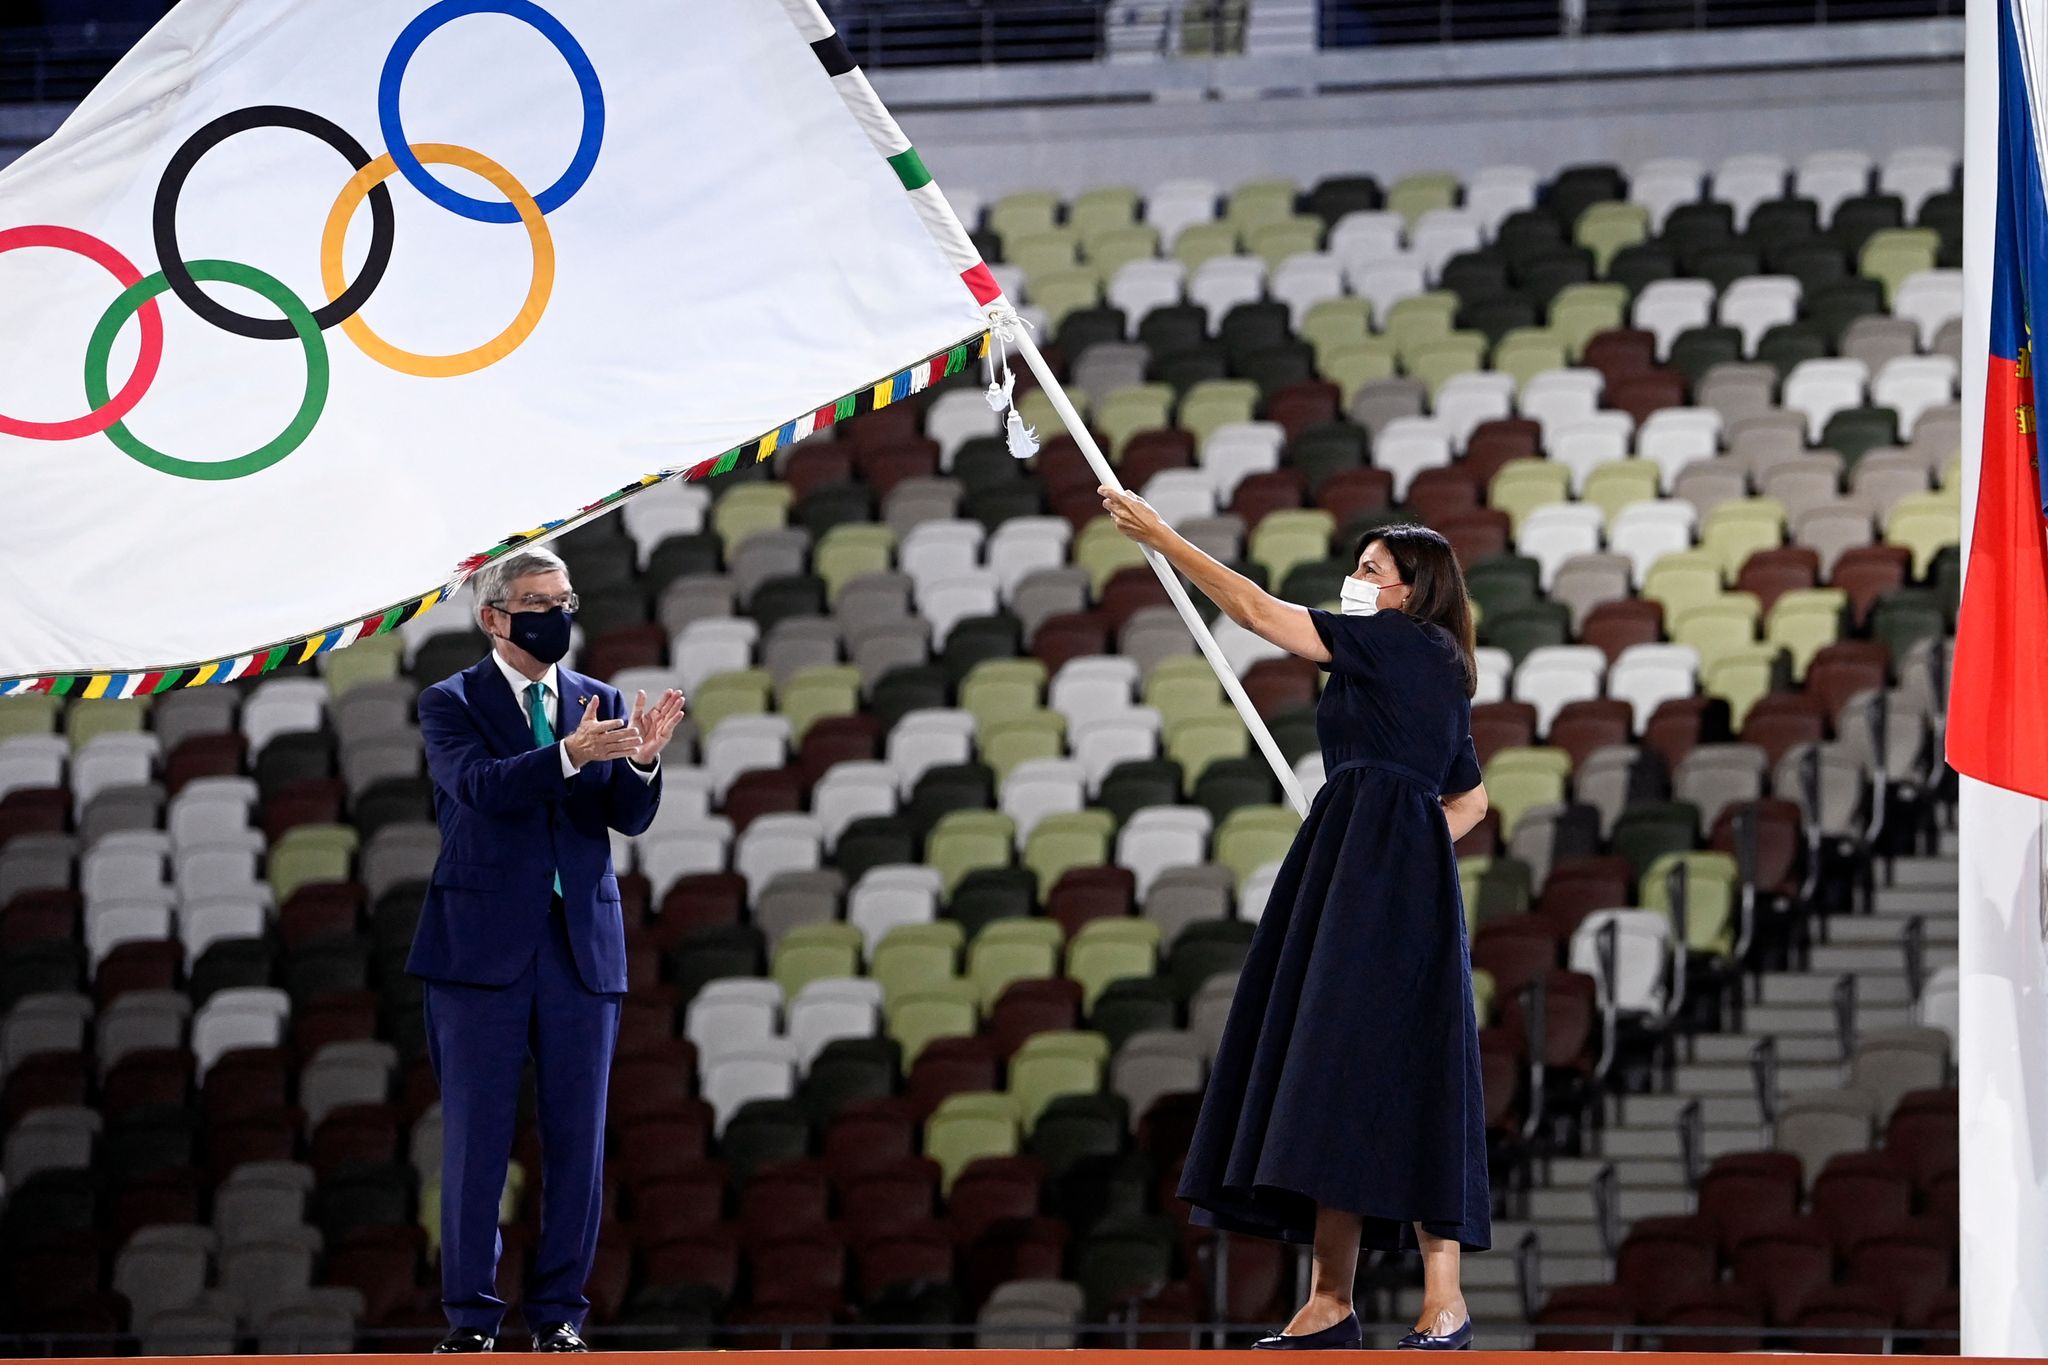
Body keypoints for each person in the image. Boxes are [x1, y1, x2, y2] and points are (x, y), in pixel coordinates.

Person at [1098, 487, 1491, 1351]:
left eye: (1369, 571)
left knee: (1386, 1063)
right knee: (1335, 1064)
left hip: (1372, 875)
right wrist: (1396, 840)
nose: (1354, 581)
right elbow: (1471, 799)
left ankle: (1439, 1300)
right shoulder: (1433, 664)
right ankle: (1334, 1300)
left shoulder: (1401, 643)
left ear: (1409, 591)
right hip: (1365, 868)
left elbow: (1256, 611)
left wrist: (1162, 537)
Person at [409, 547, 686, 1353]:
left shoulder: (598, 700)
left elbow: (627, 818)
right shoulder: (450, 701)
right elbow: (485, 789)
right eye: (537, 601)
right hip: (478, 955)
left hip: (579, 950)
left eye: (564, 599)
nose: (556, 615)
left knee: (578, 1142)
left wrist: (640, 759)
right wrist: (570, 754)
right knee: (476, 1143)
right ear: (493, 616)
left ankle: (560, 1314)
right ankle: (469, 1320)